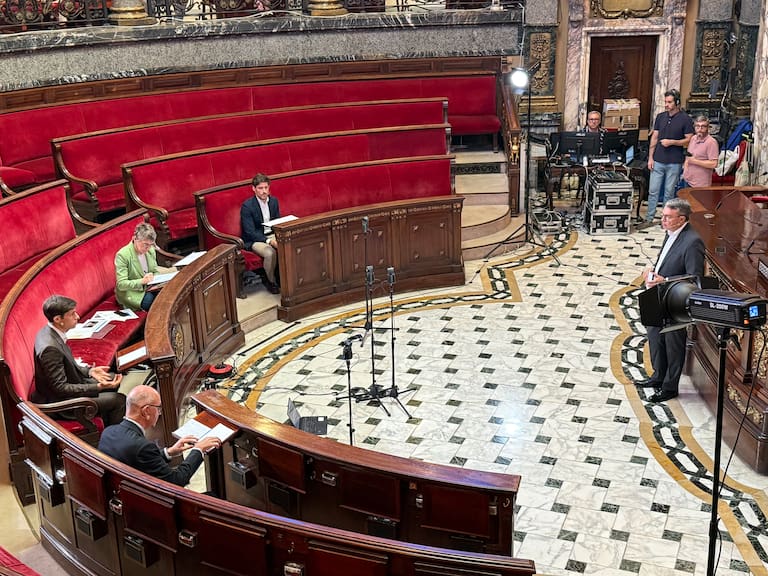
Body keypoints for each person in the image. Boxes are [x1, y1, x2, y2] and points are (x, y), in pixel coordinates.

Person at [636, 198, 704, 403]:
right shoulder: (671, 233)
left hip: (675, 300)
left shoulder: (693, 241)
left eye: (668, 217)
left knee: (673, 343)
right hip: (658, 294)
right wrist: (653, 270)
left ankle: (669, 386)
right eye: (663, 215)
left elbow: (694, 277)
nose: (663, 219)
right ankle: (658, 376)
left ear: (681, 219)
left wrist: (664, 280)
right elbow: (666, 259)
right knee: (654, 335)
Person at [98, 385, 221, 487]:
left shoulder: (108, 432)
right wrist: (198, 450)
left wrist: (169, 452)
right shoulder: (143, 447)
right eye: (158, 408)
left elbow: (140, 460)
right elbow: (177, 480)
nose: (159, 413)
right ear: (146, 411)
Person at [31, 295, 125, 425]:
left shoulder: (49, 331)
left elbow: (67, 365)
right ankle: (112, 435)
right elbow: (60, 388)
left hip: (68, 385)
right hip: (61, 403)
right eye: (72, 314)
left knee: (112, 378)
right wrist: (97, 387)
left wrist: (90, 371)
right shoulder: (50, 349)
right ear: (58, 319)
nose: (78, 317)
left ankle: (106, 420)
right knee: (119, 400)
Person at [640, 89, 694, 228]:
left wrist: (672, 142)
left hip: (674, 161)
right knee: (653, 191)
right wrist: (650, 158)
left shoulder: (685, 119)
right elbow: (655, 137)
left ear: (677, 102)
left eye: (669, 102)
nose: (666, 105)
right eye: (665, 102)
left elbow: (689, 139)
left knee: (669, 192)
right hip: (658, 159)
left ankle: (666, 219)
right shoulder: (660, 117)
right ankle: (649, 218)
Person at [240, 173, 281, 294]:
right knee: (269, 252)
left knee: (288, 245)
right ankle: (270, 281)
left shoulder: (274, 201)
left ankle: (284, 279)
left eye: (266, 188)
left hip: (272, 234)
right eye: (260, 188)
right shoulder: (247, 206)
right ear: (254, 189)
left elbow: (277, 222)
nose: (264, 191)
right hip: (255, 239)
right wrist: (269, 241)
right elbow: (249, 232)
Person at [115, 222, 160, 311]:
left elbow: (155, 271)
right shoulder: (123, 255)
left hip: (149, 287)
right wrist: (142, 281)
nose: (148, 248)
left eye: (151, 244)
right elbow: (121, 284)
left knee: (168, 293)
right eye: (145, 244)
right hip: (131, 292)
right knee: (154, 302)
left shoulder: (150, 250)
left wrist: (155, 277)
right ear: (135, 239)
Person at [680, 116, 719, 188]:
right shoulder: (693, 138)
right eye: (697, 126)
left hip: (700, 184)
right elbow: (689, 156)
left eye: (703, 126)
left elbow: (714, 164)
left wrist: (695, 161)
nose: (700, 129)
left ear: (708, 128)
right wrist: (684, 171)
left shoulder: (711, 142)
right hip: (688, 180)